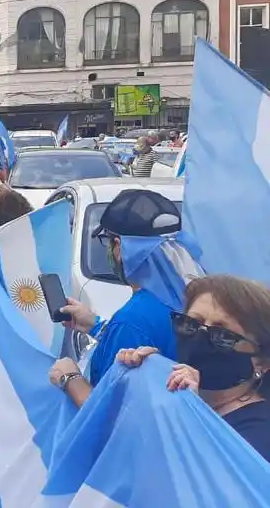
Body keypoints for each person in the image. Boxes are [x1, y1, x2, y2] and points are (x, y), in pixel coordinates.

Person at [48, 189, 203, 407]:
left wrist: (70, 378)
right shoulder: (197, 299)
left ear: (119, 248)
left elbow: (107, 413)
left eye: (108, 242)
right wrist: (96, 326)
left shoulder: (132, 320)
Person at [116, 274, 270, 461]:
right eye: (191, 324)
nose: (200, 337)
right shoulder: (179, 393)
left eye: (222, 335)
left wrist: (71, 379)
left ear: (262, 361)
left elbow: (196, 478)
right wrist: (143, 377)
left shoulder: (260, 432)